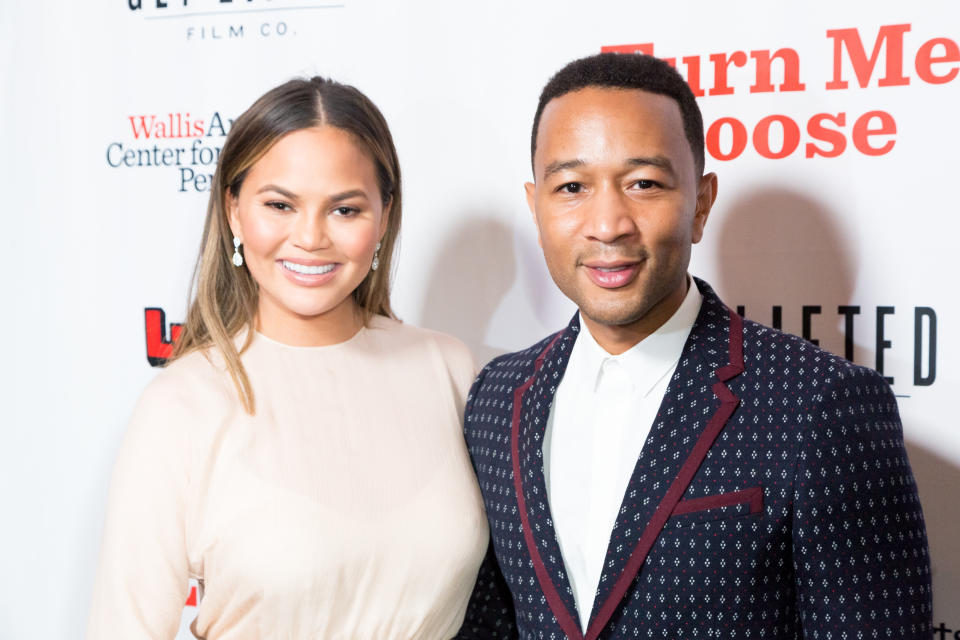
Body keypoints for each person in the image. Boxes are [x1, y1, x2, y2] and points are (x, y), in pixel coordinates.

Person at [457, 53, 932, 639]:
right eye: (573, 186)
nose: (608, 224)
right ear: (536, 207)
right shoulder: (497, 397)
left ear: (701, 203)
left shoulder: (819, 404)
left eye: (644, 184)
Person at [87, 77, 488, 639]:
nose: (309, 238)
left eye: (344, 210)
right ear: (233, 210)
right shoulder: (184, 402)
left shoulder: (449, 370)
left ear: (384, 215)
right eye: (280, 204)